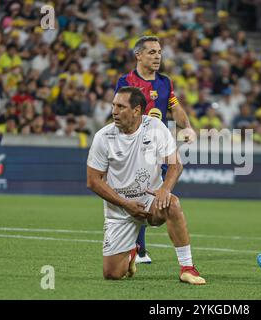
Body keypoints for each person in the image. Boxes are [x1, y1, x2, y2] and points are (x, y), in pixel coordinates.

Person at [86, 87, 205, 285]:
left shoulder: (156, 128)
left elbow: (176, 164)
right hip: (120, 209)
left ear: (137, 110)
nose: (114, 111)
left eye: (121, 106)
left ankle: (187, 268)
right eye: (114, 105)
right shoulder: (103, 137)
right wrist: (125, 204)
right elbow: (93, 181)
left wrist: (164, 190)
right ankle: (131, 253)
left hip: (150, 201)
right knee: (112, 274)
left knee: (172, 204)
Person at [115, 36, 196, 264]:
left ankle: (138, 249)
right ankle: (137, 249)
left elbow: (176, 109)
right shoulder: (126, 81)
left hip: (158, 146)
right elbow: (121, 112)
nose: (157, 56)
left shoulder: (164, 82)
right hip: (133, 145)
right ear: (138, 55)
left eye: (159, 51)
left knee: (152, 193)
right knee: (137, 192)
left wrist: (187, 127)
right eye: (151, 52)